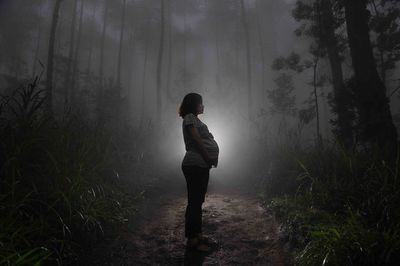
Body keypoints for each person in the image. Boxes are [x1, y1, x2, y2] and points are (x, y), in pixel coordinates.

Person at [179, 92, 219, 252]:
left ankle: (198, 235)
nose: (203, 106)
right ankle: (192, 240)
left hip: (200, 165)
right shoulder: (189, 117)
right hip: (194, 163)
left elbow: (202, 136)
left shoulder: (196, 119)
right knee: (194, 202)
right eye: (200, 103)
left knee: (198, 201)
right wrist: (208, 156)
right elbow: (196, 139)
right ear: (193, 104)